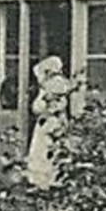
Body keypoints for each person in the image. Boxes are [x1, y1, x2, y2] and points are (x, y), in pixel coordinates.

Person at [25, 56, 70, 189]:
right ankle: (48, 181)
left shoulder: (52, 87)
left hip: (49, 123)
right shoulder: (58, 86)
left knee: (46, 150)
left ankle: (46, 182)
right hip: (53, 123)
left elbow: (38, 107)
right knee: (46, 151)